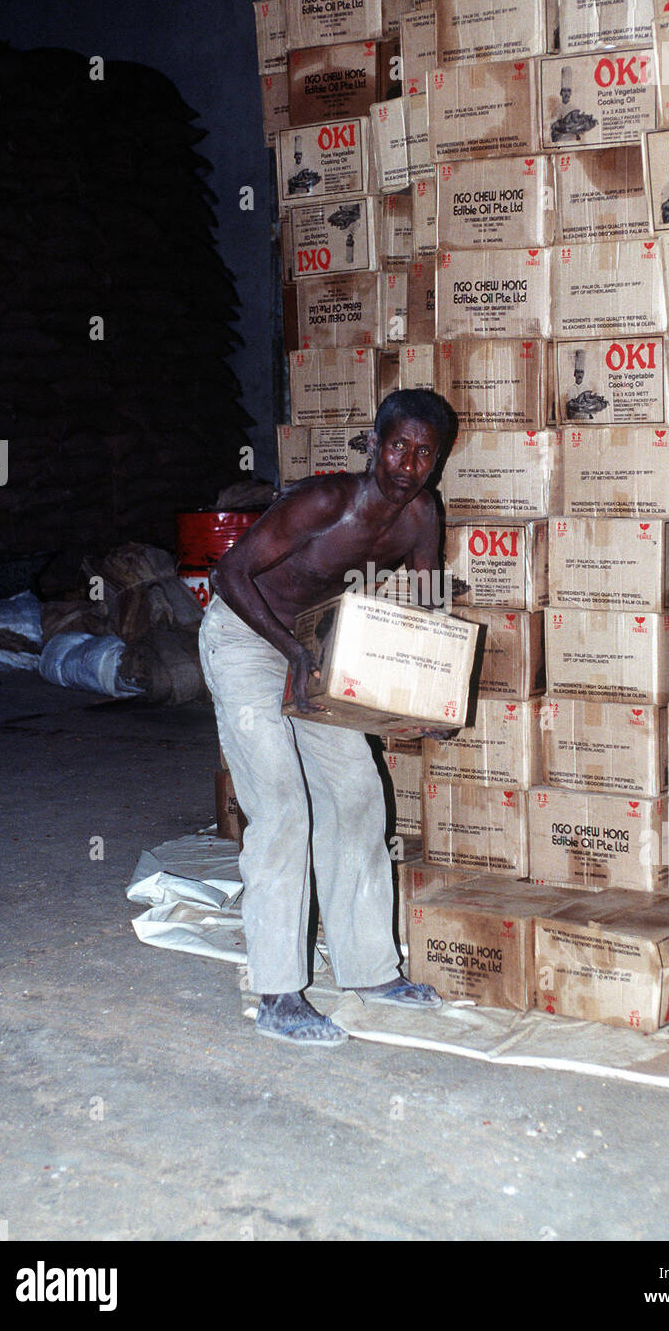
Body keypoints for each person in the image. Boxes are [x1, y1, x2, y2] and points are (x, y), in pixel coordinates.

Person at [199, 389, 456, 1047]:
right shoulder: (323, 501)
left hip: (311, 644)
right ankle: (279, 994)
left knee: (356, 795)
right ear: (374, 444)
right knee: (283, 806)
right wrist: (290, 654)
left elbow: (428, 611)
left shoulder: (421, 516)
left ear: (437, 459)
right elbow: (230, 574)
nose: (408, 462)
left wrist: (430, 699)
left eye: (424, 452)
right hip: (243, 637)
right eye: (398, 445)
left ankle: (369, 971)